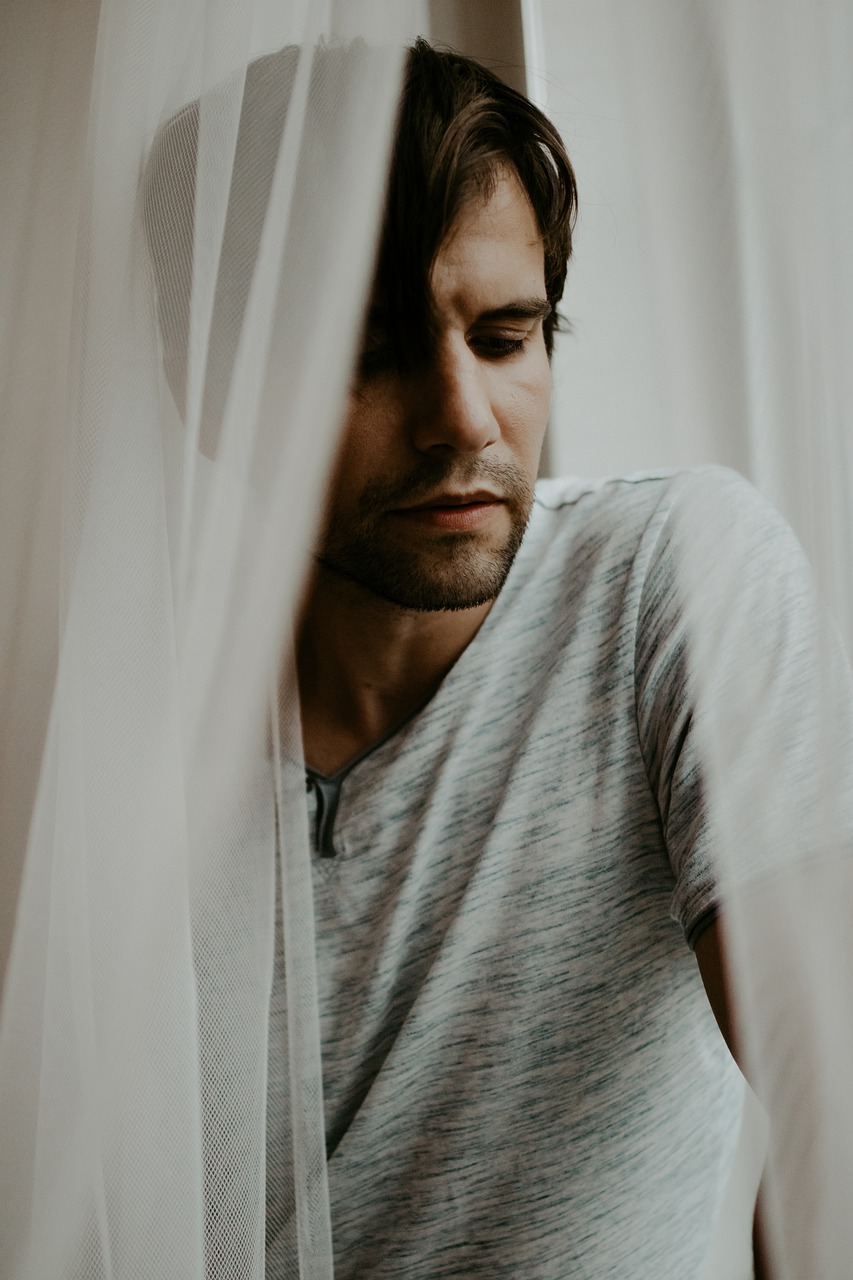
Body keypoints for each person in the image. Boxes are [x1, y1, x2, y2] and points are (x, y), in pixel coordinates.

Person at [263, 39, 814, 1279]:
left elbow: (830, 1084)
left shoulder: (668, 572)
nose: (465, 418)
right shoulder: (103, 732)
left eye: (506, 336)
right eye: (371, 351)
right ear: (215, 386)